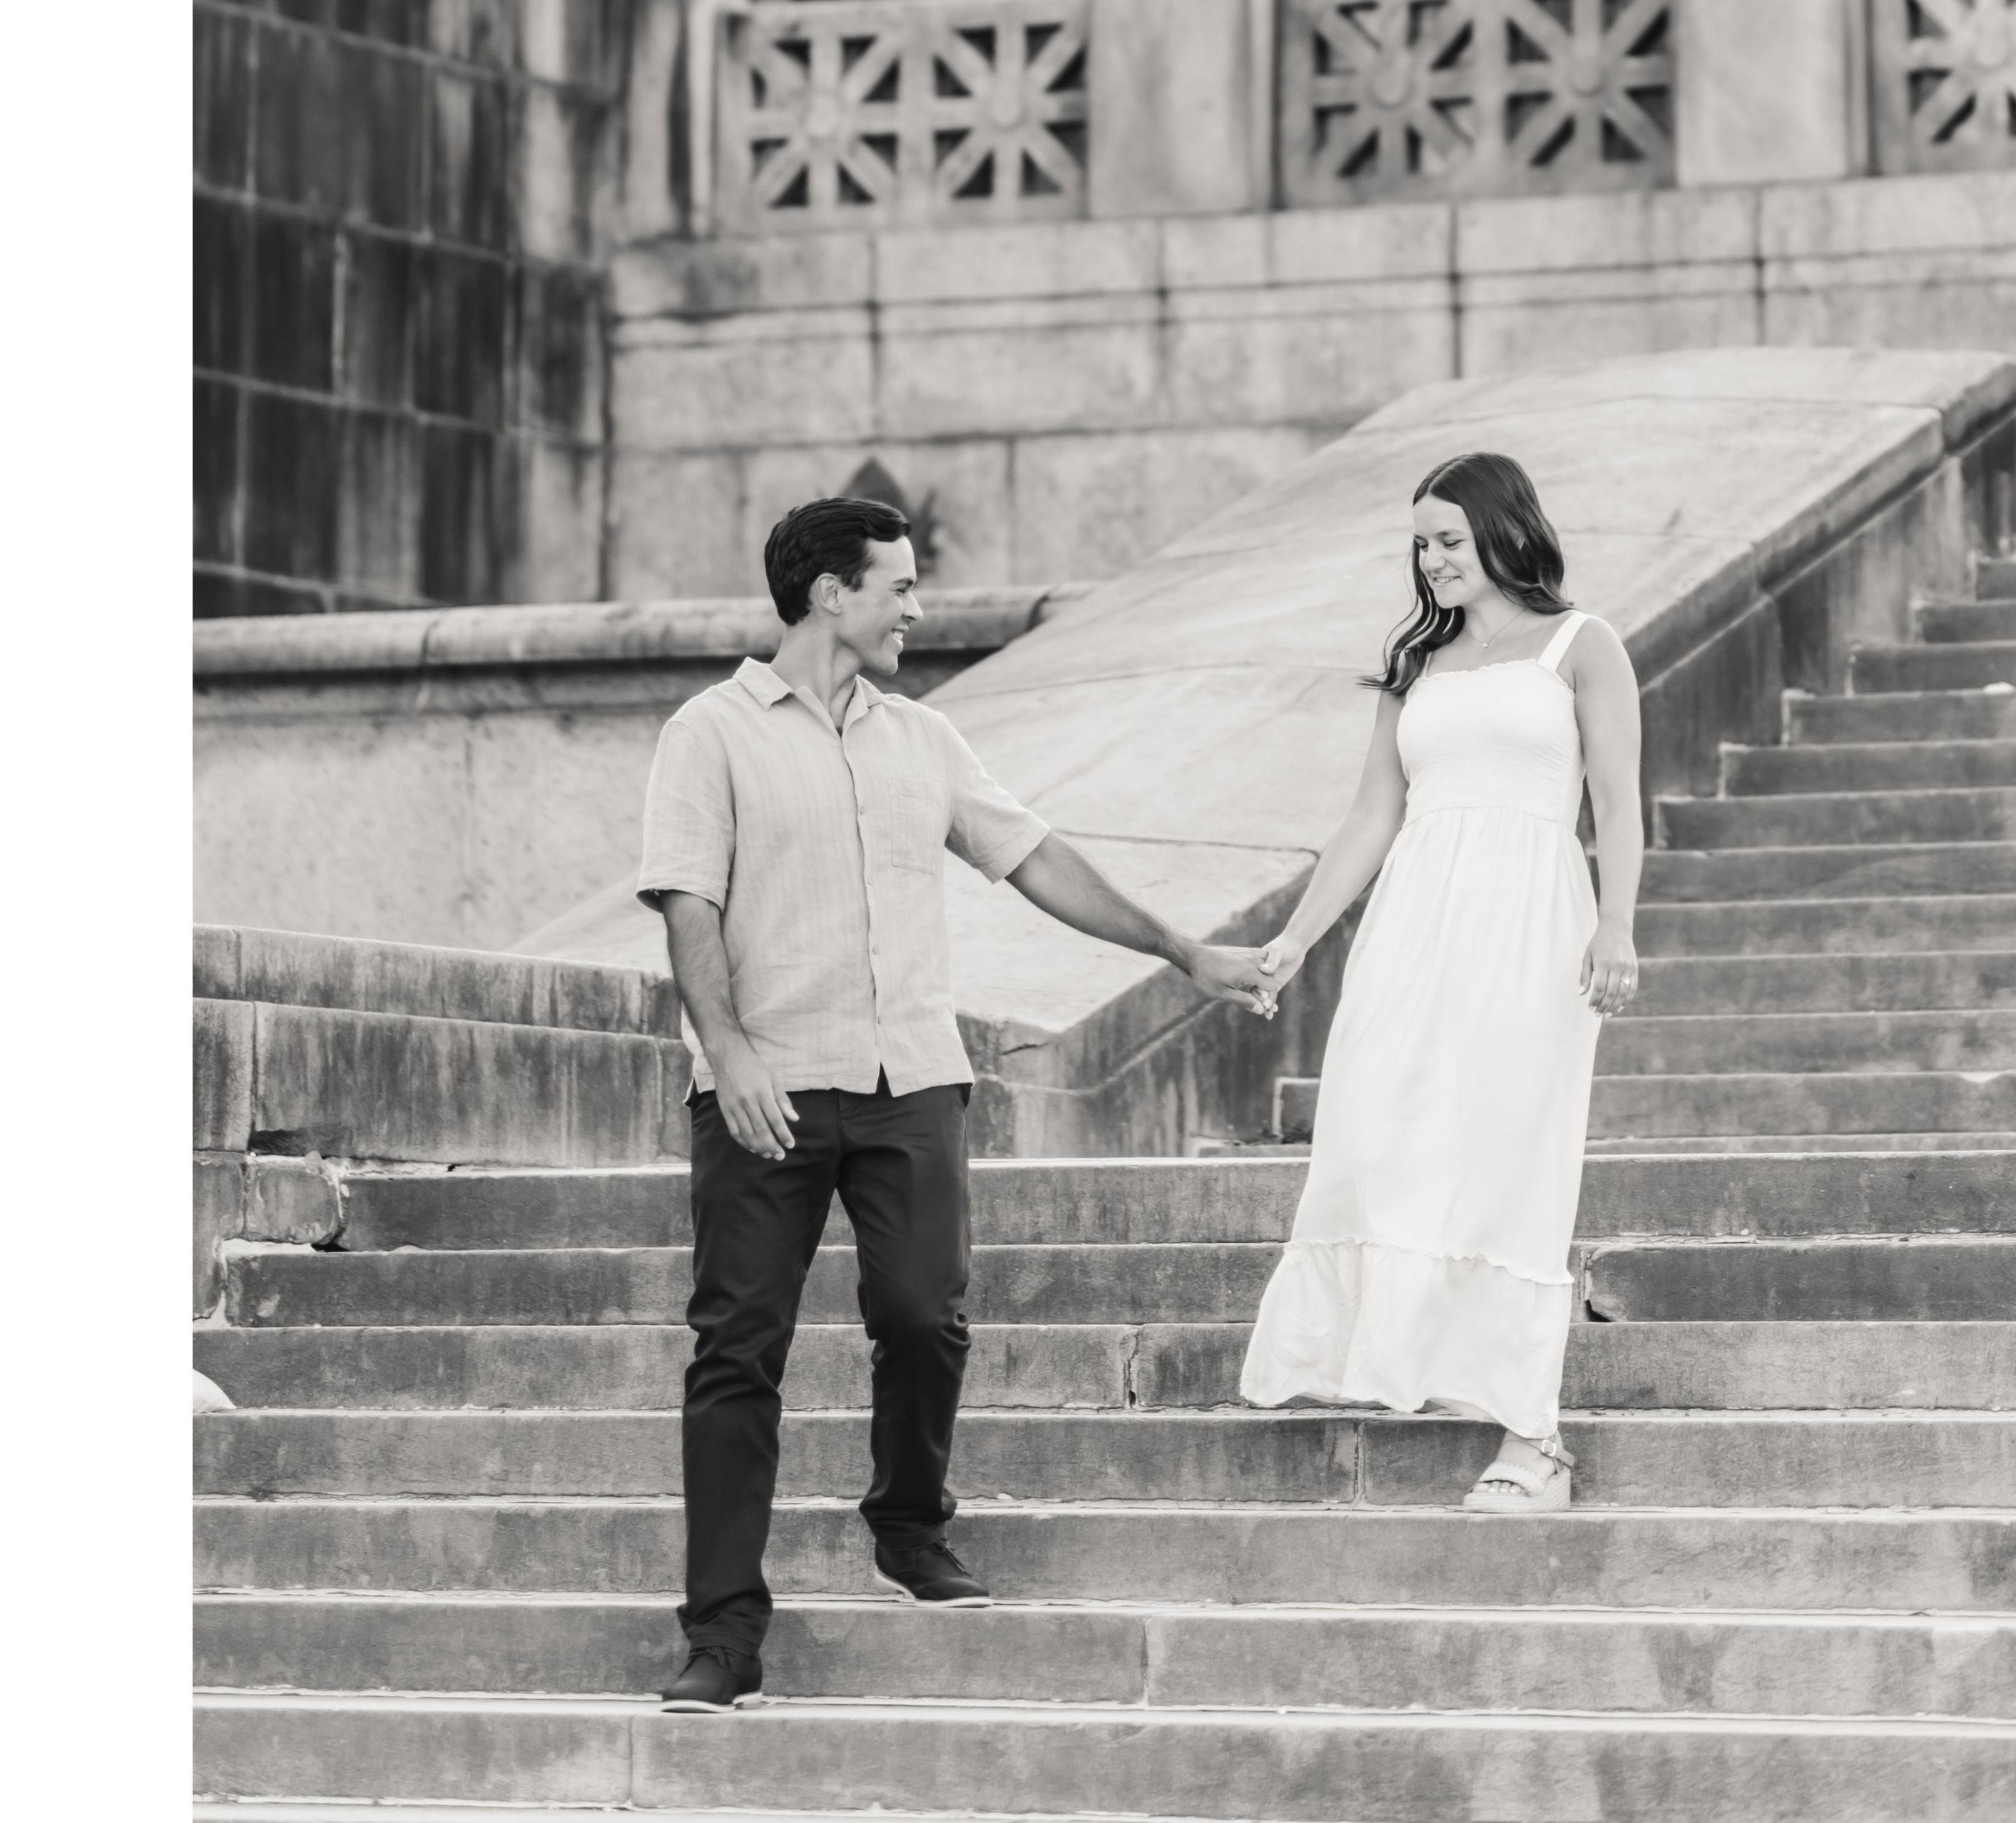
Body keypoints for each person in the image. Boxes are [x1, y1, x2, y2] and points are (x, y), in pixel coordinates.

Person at [634, 494, 1268, 1712]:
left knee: (926, 1317)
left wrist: (1182, 949)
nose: (917, 611)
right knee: (737, 1353)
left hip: (909, 1077)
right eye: (900, 587)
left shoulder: (923, 739)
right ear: (832, 593)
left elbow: (1036, 858)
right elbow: (686, 900)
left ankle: (908, 1525)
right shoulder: (707, 733)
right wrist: (732, 1052)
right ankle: (724, 1633)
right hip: (768, 1085)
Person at [1233, 451, 1644, 1510]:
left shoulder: (1582, 645)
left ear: (1507, 531)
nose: (1431, 560)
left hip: (1532, 925)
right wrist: (1297, 938)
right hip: (1414, 923)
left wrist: (1617, 926)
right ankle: (1401, 1354)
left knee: (1512, 1161)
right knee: (1377, 1132)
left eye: (1450, 539)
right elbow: (1372, 815)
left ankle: (1534, 1441)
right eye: (1420, 543)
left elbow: (1617, 800)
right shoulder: (1418, 661)